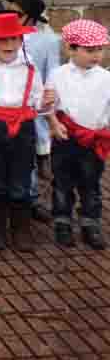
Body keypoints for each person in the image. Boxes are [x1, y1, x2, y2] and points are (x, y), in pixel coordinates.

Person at [0, 13, 46, 251]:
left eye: (14, 39)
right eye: (2, 40)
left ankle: (21, 229)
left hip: (23, 128)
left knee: (22, 177)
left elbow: (39, 103)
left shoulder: (30, 69)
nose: (9, 45)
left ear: (21, 40)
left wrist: (48, 102)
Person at [44, 19, 110, 250]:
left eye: (100, 49)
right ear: (71, 49)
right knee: (62, 183)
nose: (96, 55)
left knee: (91, 183)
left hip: (93, 139)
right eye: (90, 50)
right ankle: (62, 222)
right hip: (66, 137)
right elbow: (48, 104)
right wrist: (52, 123)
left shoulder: (106, 78)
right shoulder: (57, 75)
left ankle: (90, 223)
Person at [4, 0, 61, 186]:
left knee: (33, 150)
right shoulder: (3, 36)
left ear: (31, 18)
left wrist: (48, 95)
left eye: (17, 14)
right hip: (6, 104)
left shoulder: (48, 40)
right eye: (10, 12)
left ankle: (34, 195)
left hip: (33, 105)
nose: (12, 18)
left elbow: (52, 71)